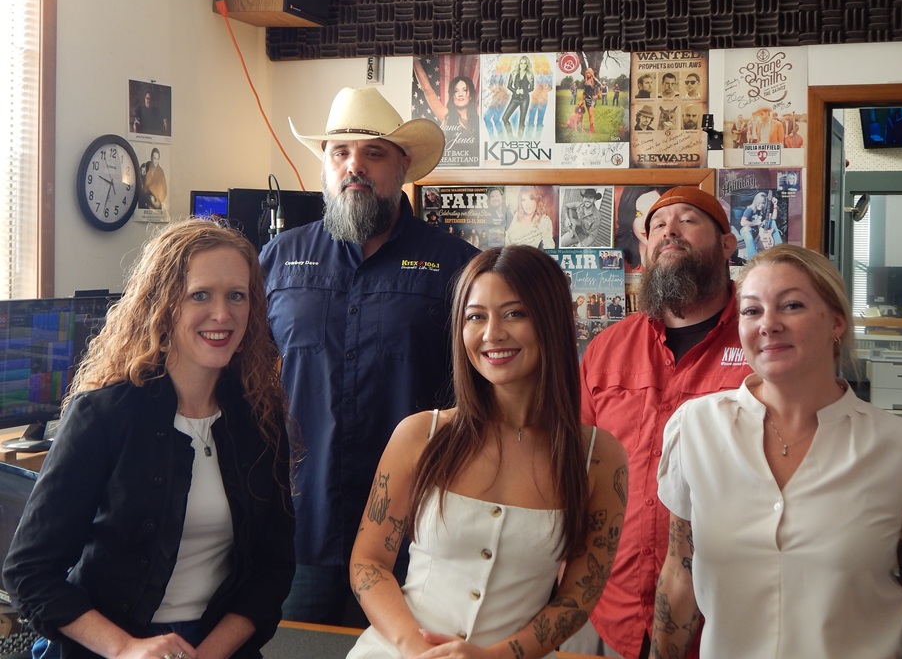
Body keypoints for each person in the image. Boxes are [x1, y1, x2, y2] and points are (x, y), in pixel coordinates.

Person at [3, 219, 295, 659]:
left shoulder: (261, 417)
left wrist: (207, 654)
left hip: (219, 646)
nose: (222, 314)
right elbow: (29, 574)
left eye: (237, 295)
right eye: (200, 295)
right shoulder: (103, 415)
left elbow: (273, 568)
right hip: (109, 646)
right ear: (163, 304)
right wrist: (126, 648)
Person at [653, 244, 902, 658]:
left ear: (836, 321)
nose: (768, 324)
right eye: (752, 310)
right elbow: (680, 572)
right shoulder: (695, 429)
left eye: (792, 305)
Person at [261, 86, 478, 627]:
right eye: (340, 152)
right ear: (326, 166)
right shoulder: (278, 260)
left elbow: (483, 396)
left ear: (402, 166)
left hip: (415, 535)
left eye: (373, 153)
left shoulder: (459, 266)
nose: (354, 166)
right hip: (300, 529)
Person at [345, 245, 628, 659]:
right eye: (475, 316)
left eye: (514, 313)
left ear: (551, 320)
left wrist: (493, 656)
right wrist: (415, 648)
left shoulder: (598, 458)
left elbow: (577, 598)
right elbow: (368, 562)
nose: (492, 334)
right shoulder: (421, 434)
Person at [563, 187, 750, 659]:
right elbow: (575, 467)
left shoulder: (759, 344)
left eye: (688, 220)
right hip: (611, 606)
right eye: (657, 226)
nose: (669, 230)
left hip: (724, 618)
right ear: (645, 249)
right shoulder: (607, 348)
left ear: (727, 245)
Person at [413, 60, 478, 134]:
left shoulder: (479, 116)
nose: (460, 94)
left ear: (470, 96)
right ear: (452, 96)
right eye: (456, 91)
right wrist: (414, 59)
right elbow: (427, 90)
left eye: (464, 90)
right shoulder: (446, 116)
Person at [502, 56, 534, 138]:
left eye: (525, 63)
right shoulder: (514, 73)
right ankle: (511, 138)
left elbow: (532, 88)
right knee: (505, 118)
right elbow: (509, 86)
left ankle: (519, 139)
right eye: (521, 63)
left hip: (525, 99)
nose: (523, 65)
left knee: (522, 121)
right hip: (515, 99)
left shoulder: (530, 74)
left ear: (527, 64)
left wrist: (524, 91)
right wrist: (515, 90)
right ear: (519, 64)